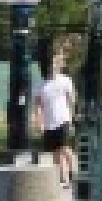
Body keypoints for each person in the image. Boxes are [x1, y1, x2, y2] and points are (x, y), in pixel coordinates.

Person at [33, 57, 78, 189]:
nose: (51, 68)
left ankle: (75, 175)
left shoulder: (65, 80)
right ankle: (63, 179)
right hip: (49, 123)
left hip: (63, 120)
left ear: (57, 66)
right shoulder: (40, 84)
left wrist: (71, 118)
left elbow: (71, 100)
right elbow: (38, 106)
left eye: (53, 65)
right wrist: (39, 122)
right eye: (49, 66)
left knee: (65, 148)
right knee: (55, 152)